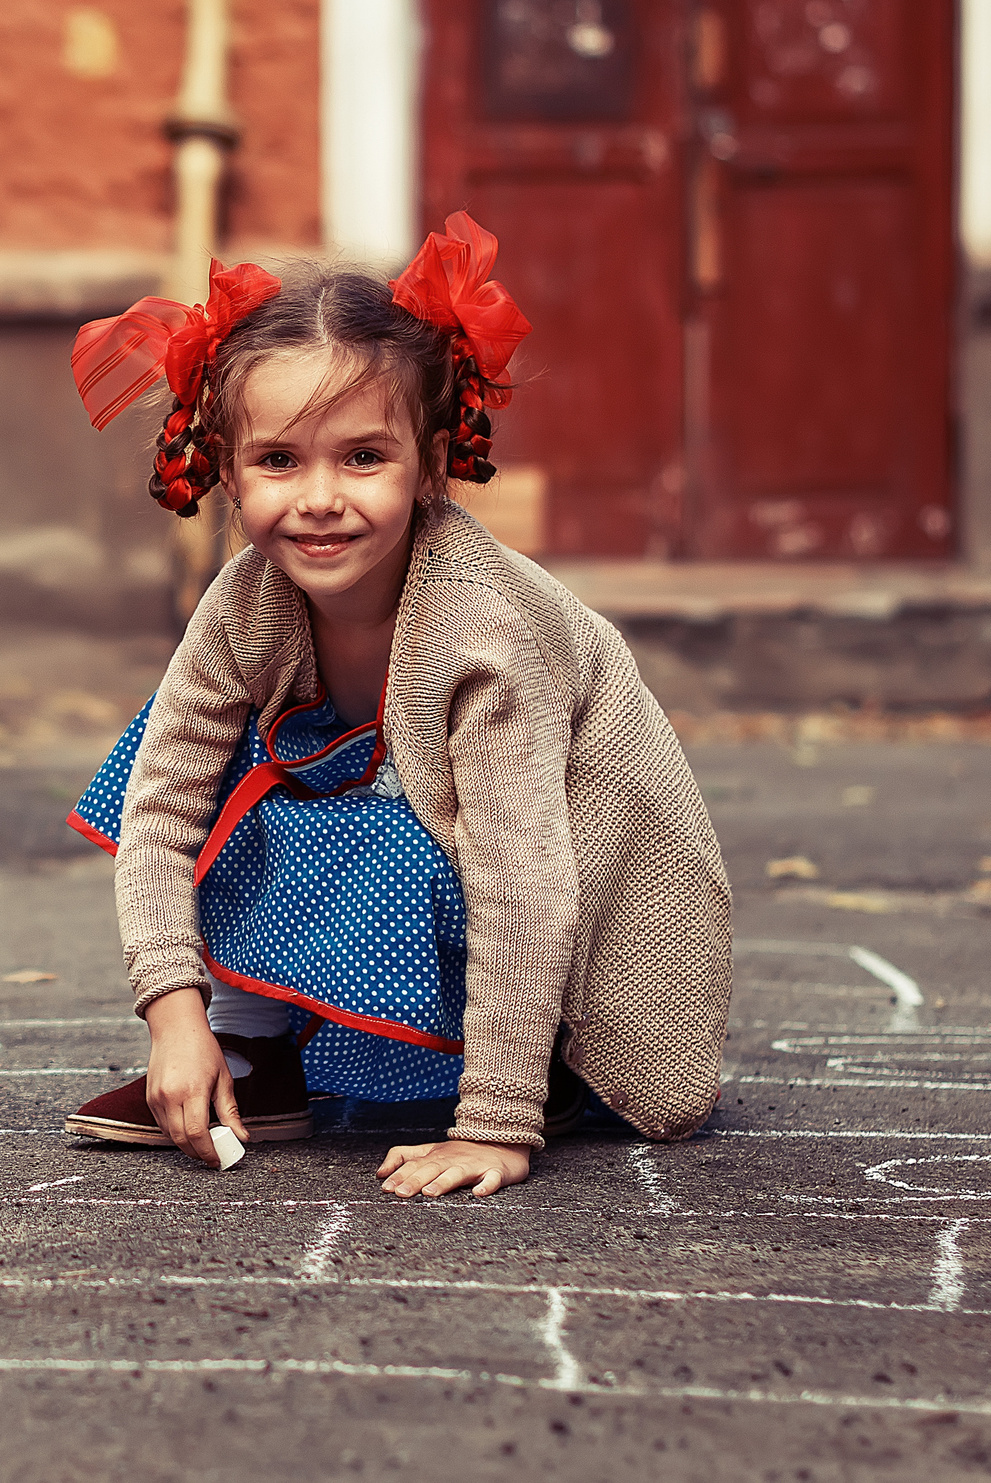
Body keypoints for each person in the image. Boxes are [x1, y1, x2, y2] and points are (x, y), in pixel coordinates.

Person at [58, 214, 732, 1199]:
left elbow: (524, 875)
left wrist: (493, 1128)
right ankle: (253, 1055)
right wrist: (175, 1017)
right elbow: (161, 817)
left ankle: (533, 1074)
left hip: (586, 912)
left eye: (362, 458)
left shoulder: (479, 630)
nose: (319, 497)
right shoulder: (243, 604)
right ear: (225, 469)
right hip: (472, 852)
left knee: (380, 824)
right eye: (278, 461)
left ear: (428, 463)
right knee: (170, 757)